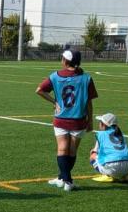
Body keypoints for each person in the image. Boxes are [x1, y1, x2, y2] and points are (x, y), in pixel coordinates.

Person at [36, 48, 96, 192]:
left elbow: (39, 90)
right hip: (78, 120)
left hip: (61, 118)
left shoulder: (55, 76)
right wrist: (90, 120)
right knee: (72, 150)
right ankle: (65, 179)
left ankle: (65, 179)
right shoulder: (86, 78)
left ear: (65, 60)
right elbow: (89, 102)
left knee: (62, 148)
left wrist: (54, 102)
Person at [88, 113, 128, 182]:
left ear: (103, 125)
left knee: (92, 155)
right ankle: (124, 176)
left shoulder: (100, 134)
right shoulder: (120, 134)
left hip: (113, 167)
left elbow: (95, 152)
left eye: (100, 122)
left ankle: (107, 175)